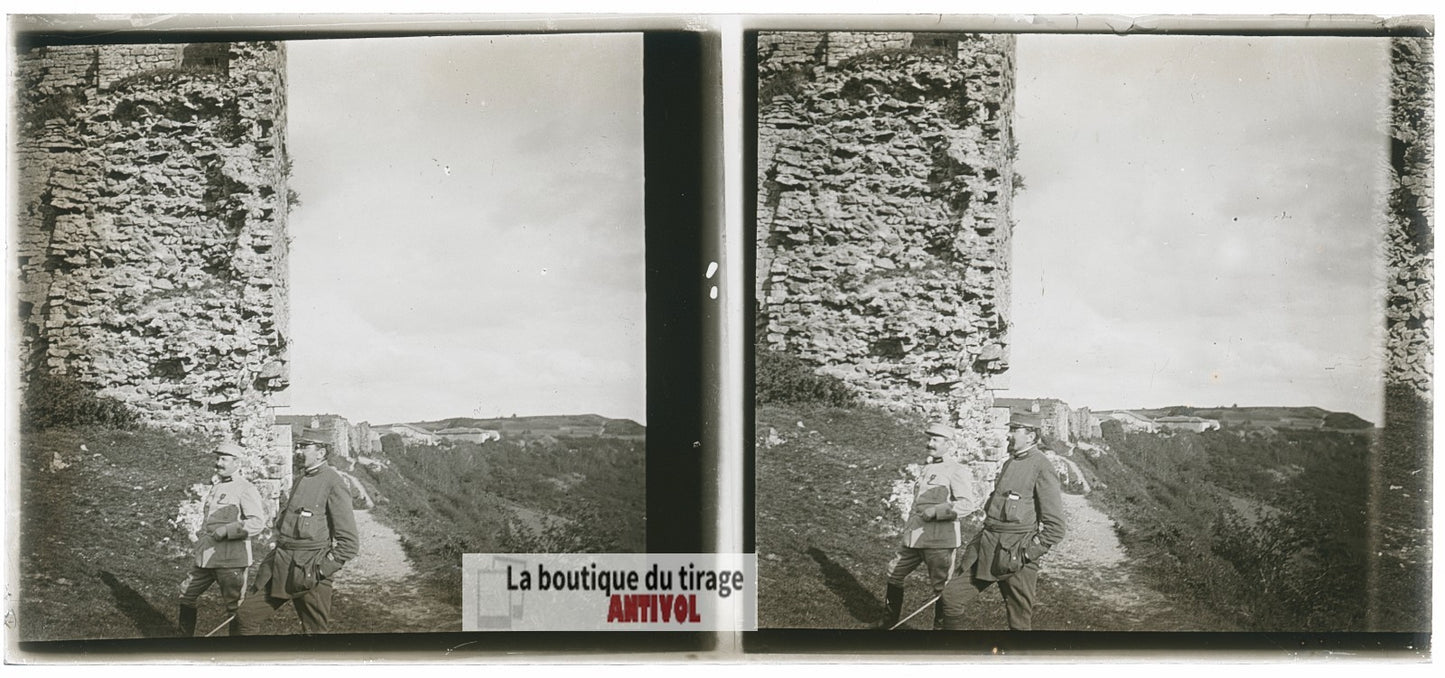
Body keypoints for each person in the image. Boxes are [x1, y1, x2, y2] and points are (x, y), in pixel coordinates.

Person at [938, 412, 1066, 631]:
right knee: (951, 598)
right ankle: (953, 654)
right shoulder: (1010, 462)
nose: (1008, 435)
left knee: (1019, 622)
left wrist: (1025, 554)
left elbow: (1055, 528)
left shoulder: (1042, 467)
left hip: (1016, 554)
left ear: (1031, 436)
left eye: (1014, 430)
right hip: (987, 547)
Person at [235, 437, 359, 634]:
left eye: (304, 448)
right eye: (297, 447)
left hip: (310, 569)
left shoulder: (333, 482)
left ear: (321, 452)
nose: (298, 451)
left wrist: (319, 570)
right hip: (281, 565)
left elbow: (349, 543)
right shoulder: (300, 479)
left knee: (315, 633)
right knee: (245, 617)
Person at [876, 422, 977, 629]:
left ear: (948, 444)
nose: (929, 444)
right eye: (929, 439)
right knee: (894, 573)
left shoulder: (956, 470)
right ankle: (888, 623)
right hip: (914, 538)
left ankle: (939, 632)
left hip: (939, 541)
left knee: (942, 588)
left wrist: (937, 512)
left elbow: (967, 504)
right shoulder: (929, 467)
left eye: (935, 440)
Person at [177, 440, 266, 636]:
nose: (219, 463)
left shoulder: (245, 488)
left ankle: (236, 653)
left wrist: (227, 530)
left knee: (235, 608)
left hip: (230, 560)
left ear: (237, 463)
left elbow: (257, 522)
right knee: (186, 595)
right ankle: (183, 643)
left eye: (224, 459)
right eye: (218, 458)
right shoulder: (217, 487)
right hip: (206, 558)